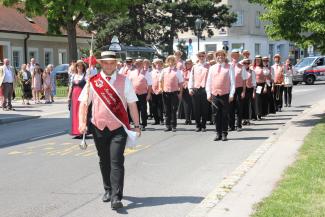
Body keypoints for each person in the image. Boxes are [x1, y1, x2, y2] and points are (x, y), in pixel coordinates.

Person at [78, 51, 140, 210]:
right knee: (104, 160)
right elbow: (84, 104)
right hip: (98, 127)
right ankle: (108, 189)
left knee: (117, 161)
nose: (109, 65)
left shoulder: (124, 81)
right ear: (101, 64)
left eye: (112, 62)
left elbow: (132, 104)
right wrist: (81, 123)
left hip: (118, 128)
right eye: (106, 62)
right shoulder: (93, 81)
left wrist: (137, 125)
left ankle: (116, 197)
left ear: (116, 64)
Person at [206, 50, 235, 141]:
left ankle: (224, 133)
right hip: (215, 94)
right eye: (218, 56)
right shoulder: (212, 67)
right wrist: (208, 93)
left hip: (225, 94)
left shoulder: (229, 67)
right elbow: (208, 82)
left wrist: (231, 94)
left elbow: (233, 83)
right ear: (216, 57)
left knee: (224, 114)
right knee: (216, 114)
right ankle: (218, 133)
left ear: (224, 57)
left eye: (222, 56)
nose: (220, 57)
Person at [159, 55, 184, 132]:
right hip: (166, 92)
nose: (171, 62)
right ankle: (167, 125)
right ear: (167, 62)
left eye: (172, 61)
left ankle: (173, 125)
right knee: (167, 110)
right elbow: (161, 80)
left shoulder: (178, 71)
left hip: (174, 92)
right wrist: (161, 88)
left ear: (174, 62)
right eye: (169, 60)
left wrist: (180, 93)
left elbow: (181, 83)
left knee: (173, 109)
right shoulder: (164, 70)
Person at [128, 59, 152, 131]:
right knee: (135, 110)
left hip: (143, 94)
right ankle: (137, 124)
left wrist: (148, 94)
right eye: (137, 63)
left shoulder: (146, 73)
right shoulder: (132, 73)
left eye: (140, 63)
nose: (138, 65)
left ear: (142, 64)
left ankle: (143, 124)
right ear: (135, 64)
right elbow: (129, 84)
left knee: (143, 109)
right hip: (134, 94)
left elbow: (150, 85)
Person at [189, 51, 209, 132]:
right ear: (198, 57)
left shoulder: (209, 66)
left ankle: (203, 125)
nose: (201, 57)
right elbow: (191, 78)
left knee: (205, 108)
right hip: (196, 89)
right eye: (199, 56)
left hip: (205, 89)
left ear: (205, 56)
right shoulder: (194, 67)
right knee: (196, 108)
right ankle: (198, 125)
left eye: (202, 56)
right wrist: (190, 88)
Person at [229, 49, 246, 131]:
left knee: (239, 108)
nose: (235, 56)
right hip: (230, 89)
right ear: (231, 56)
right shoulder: (228, 65)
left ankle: (238, 125)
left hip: (239, 89)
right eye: (233, 55)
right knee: (230, 108)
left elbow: (244, 80)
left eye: (236, 55)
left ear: (238, 56)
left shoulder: (241, 66)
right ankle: (231, 125)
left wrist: (243, 91)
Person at [68, 60, 86, 137]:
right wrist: (69, 97)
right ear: (76, 67)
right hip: (74, 96)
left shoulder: (85, 75)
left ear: (83, 67)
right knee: (75, 112)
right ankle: (75, 131)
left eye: (81, 66)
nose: (79, 67)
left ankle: (82, 130)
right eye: (78, 66)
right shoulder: (73, 76)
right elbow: (71, 87)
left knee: (81, 112)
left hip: (82, 95)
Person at [242, 59, 256, 125]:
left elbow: (254, 82)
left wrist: (254, 92)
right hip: (243, 89)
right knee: (243, 105)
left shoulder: (252, 72)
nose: (246, 64)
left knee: (249, 105)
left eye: (247, 63)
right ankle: (243, 119)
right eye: (244, 63)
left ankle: (248, 119)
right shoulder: (241, 71)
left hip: (249, 89)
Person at [151, 58, 164, 125]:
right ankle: (156, 120)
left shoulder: (164, 71)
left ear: (162, 64)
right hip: (153, 91)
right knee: (153, 106)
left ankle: (161, 119)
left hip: (161, 91)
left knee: (160, 106)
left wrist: (161, 89)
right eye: (156, 63)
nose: (158, 64)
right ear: (154, 64)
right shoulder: (152, 72)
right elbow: (150, 82)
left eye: (159, 63)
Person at [253, 55, 267, 120]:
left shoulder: (263, 68)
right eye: (256, 60)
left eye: (259, 60)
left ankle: (259, 114)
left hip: (259, 85)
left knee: (258, 99)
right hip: (253, 85)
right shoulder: (252, 67)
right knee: (253, 100)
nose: (257, 61)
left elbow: (265, 78)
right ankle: (254, 114)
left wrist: (265, 87)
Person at [182, 59, 193, 125]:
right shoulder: (183, 70)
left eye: (189, 63)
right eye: (186, 63)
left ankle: (191, 118)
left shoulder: (193, 70)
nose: (188, 64)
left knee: (191, 104)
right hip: (184, 88)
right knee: (186, 104)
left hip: (191, 88)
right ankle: (187, 119)